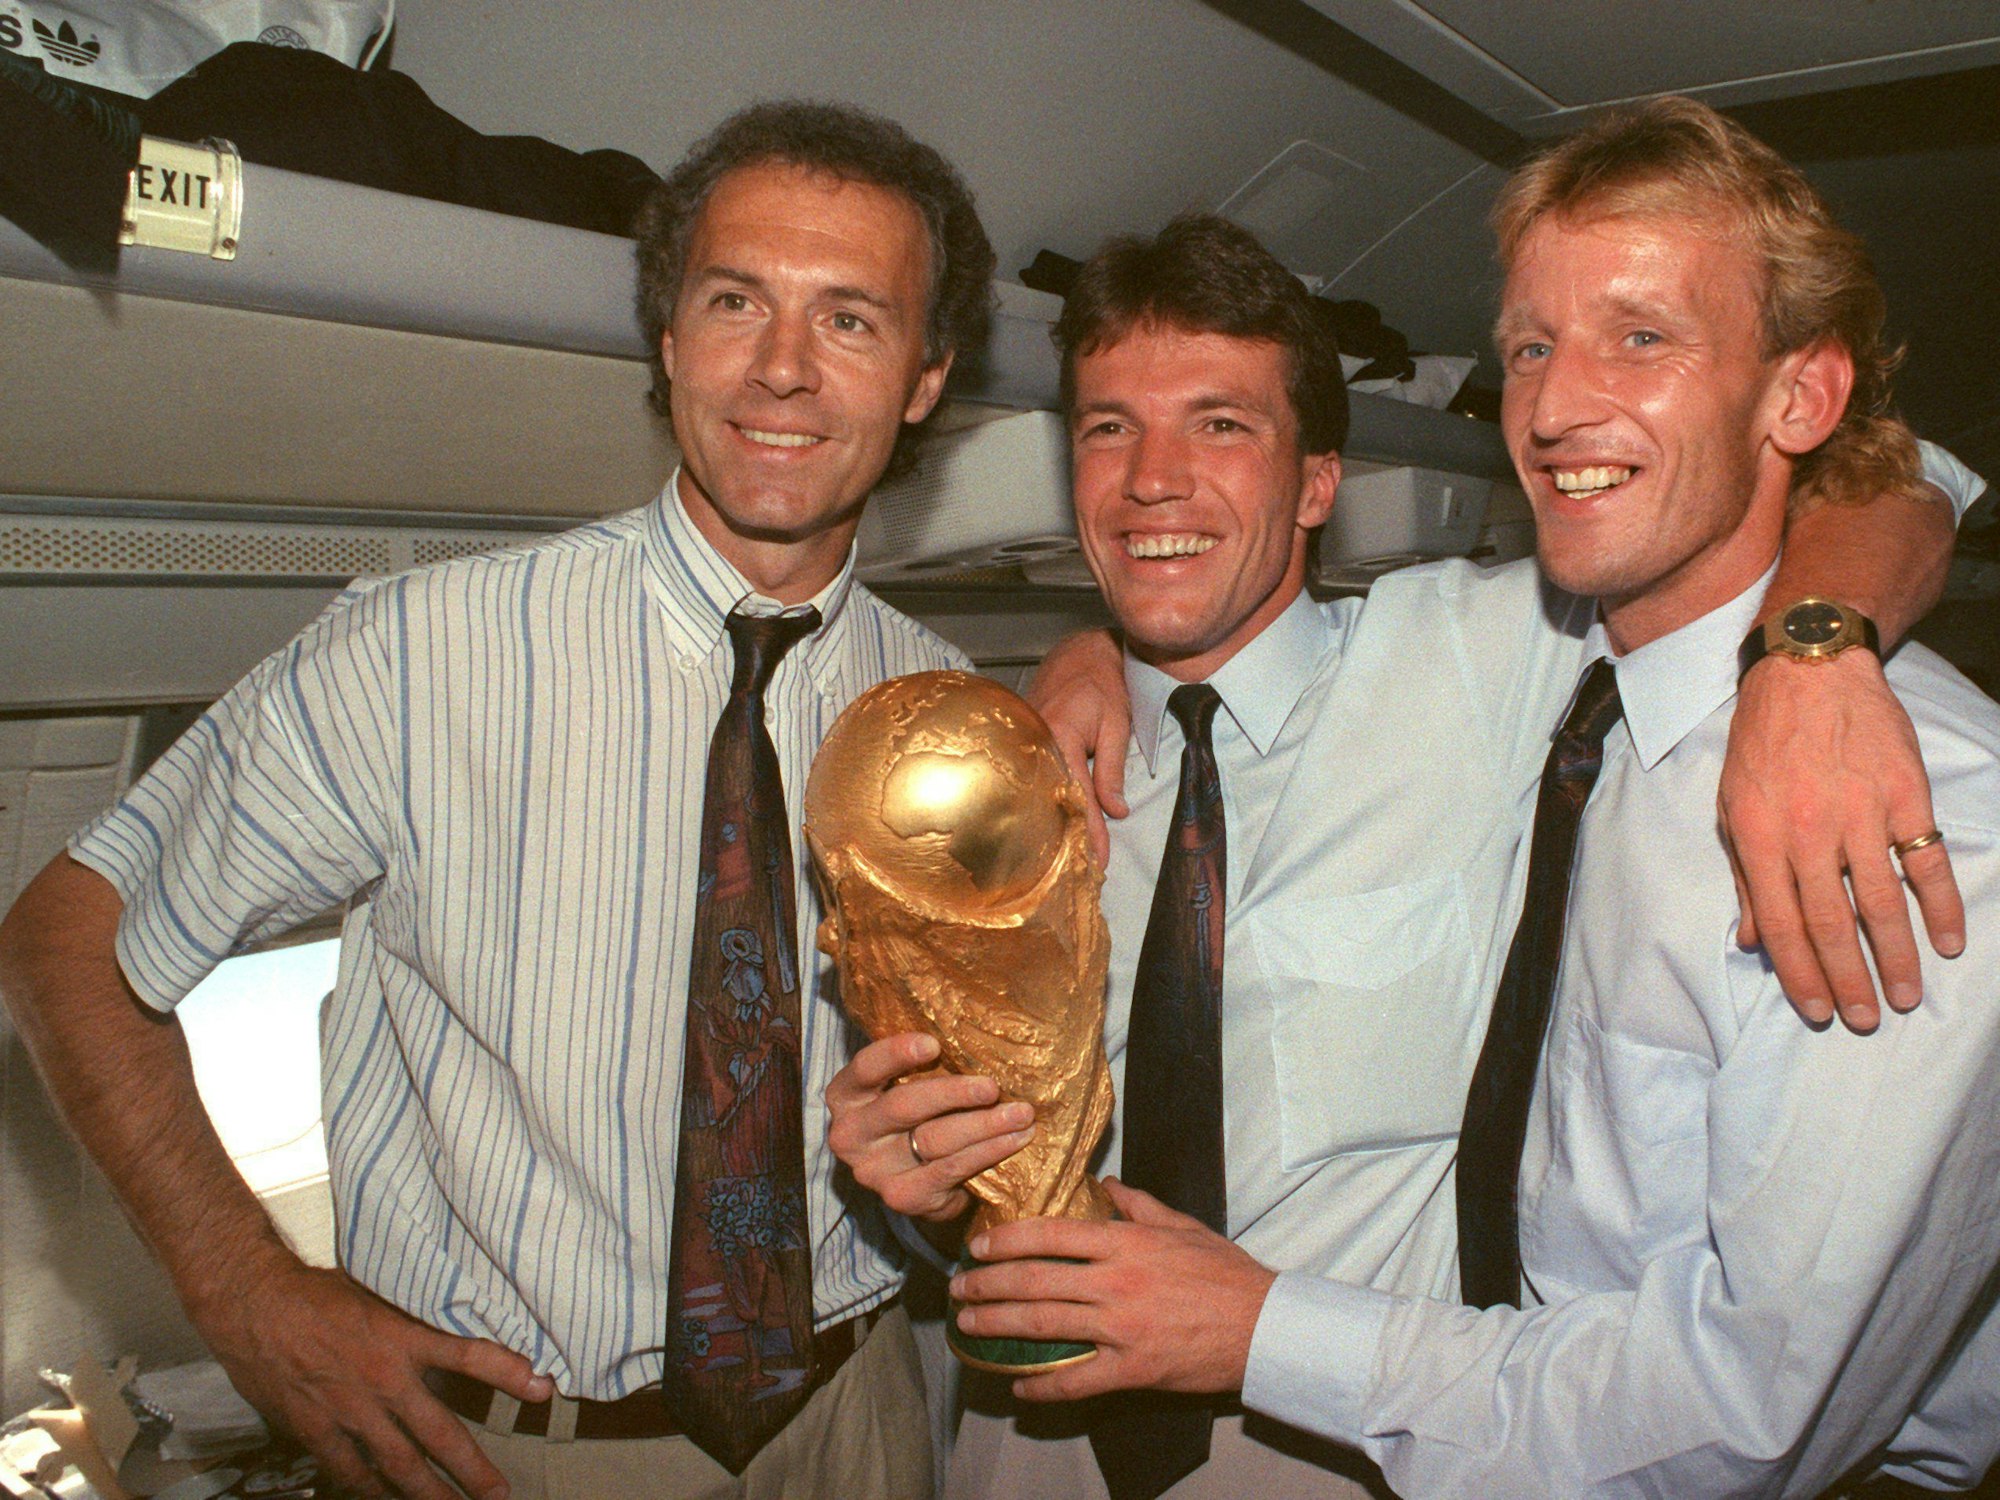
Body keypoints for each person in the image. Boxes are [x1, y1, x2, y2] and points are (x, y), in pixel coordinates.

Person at [823, 201, 1985, 1496]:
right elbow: (973, 1189)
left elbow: (1885, 474)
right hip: (1027, 1449)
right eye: (1111, 429)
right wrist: (916, 1199)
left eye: (1221, 423)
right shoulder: (997, 791)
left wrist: (1811, 655)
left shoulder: (1485, 661)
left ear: (1319, 479)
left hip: (1348, 1440)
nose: (1154, 478)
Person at [0, 99, 994, 1500]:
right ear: (667, 342)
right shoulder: (418, 652)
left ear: (927, 376)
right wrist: (242, 1293)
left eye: (850, 320)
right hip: (515, 1453)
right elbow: (65, 940)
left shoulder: (957, 715)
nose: (781, 370)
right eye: (734, 302)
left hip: (861, 1417)